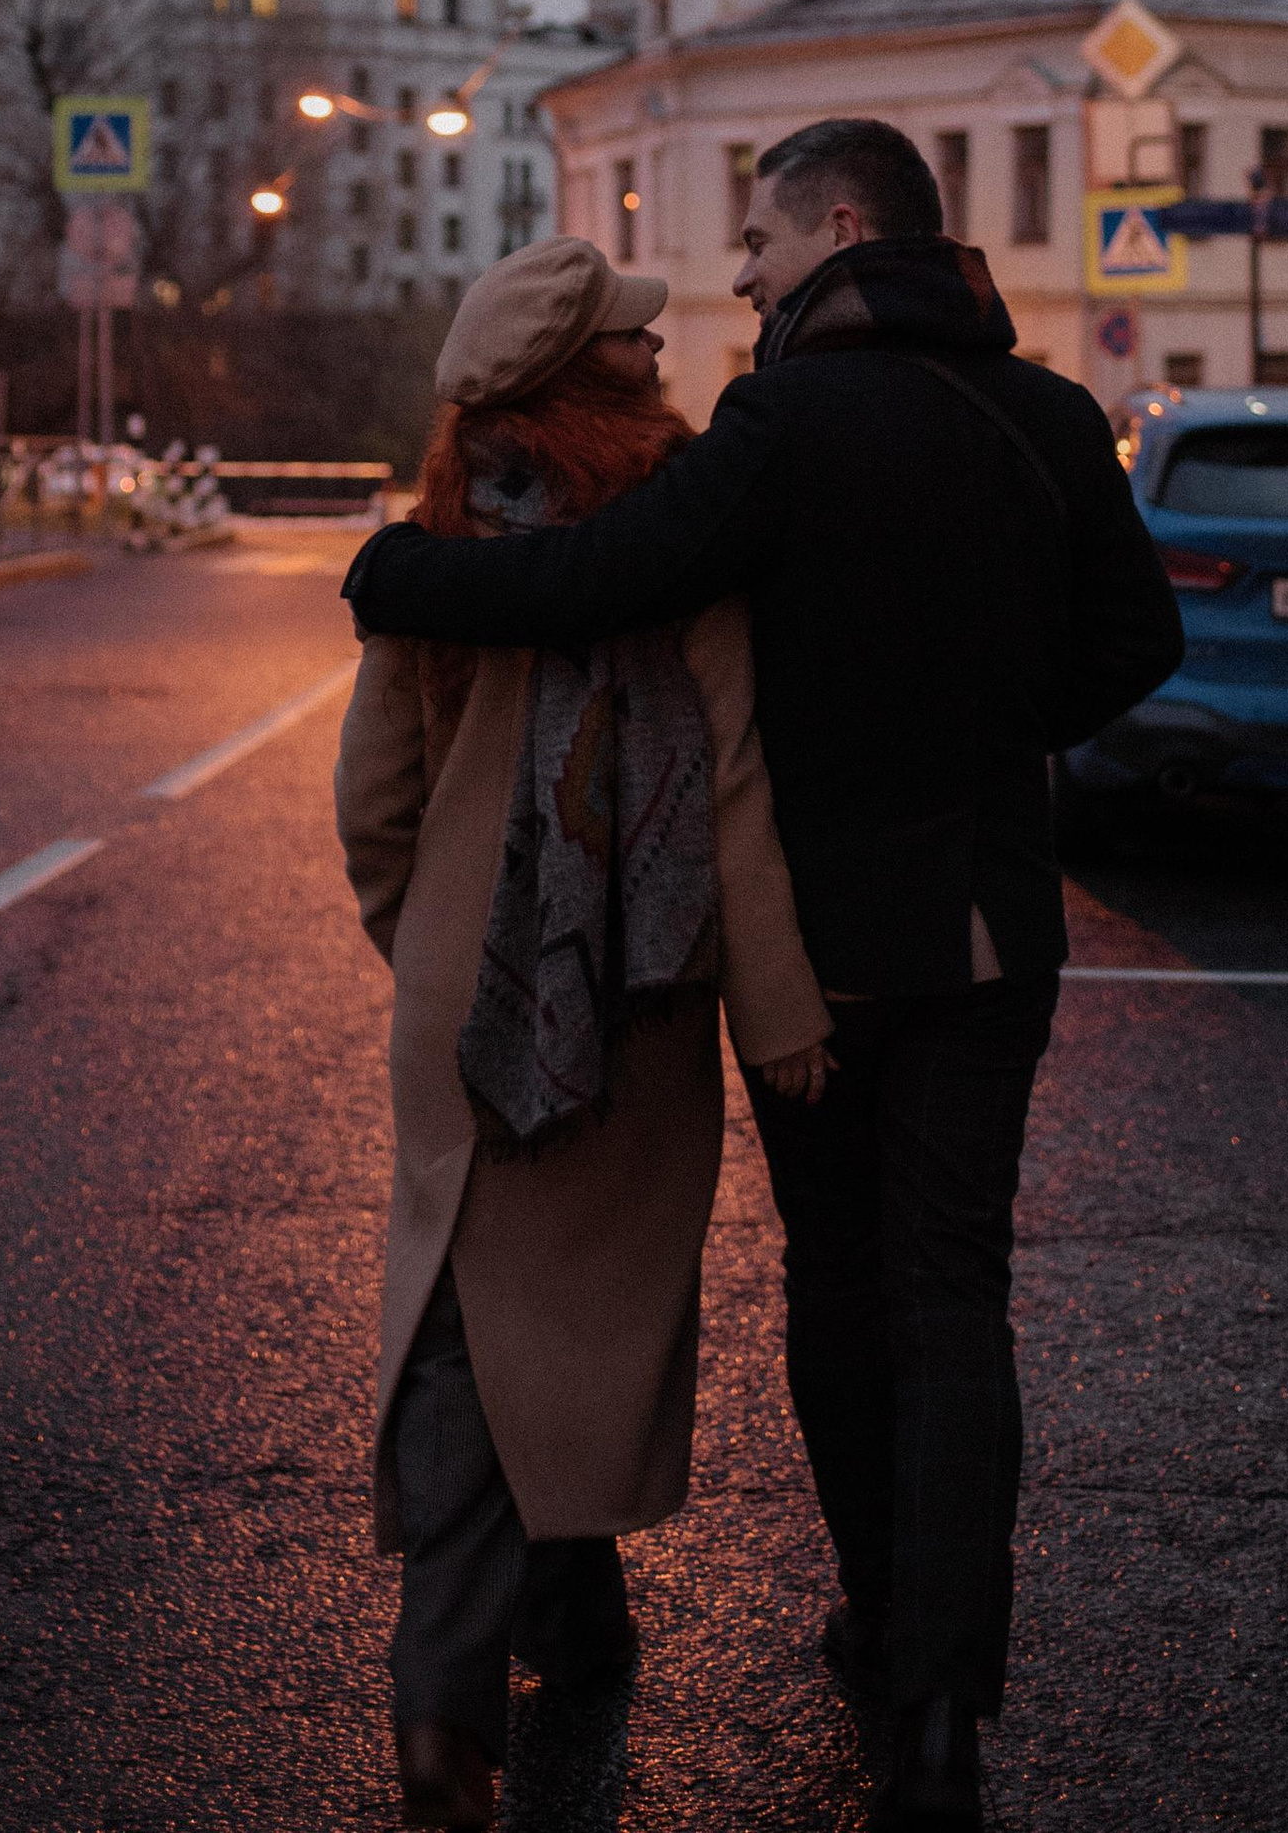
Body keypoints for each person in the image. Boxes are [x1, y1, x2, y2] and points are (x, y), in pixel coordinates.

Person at [344, 121, 1183, 1833]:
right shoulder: (1041, 415)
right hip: (992, 932)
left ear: (845, 227)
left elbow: (611, 573)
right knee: (954, 1298)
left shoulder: (780, 423)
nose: (740, 272)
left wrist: (399, 570)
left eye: (762, 239)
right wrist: (997, 740)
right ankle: (937, 1706)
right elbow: (1138, 641)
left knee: (839, 1289)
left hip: (828, 945)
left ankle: (874, 1617)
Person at [336, 237, 834, 1831]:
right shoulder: (676, 535)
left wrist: (424, 948)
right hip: (629, 995)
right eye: (640, 347)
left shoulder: (443, 531)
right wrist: (781, 1017)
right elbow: (738, 780)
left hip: (456, 982)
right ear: (609, 375)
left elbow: (378, 798)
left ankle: (563, 1621)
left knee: (478, 1307)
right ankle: (445, 1694)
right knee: (549, 1327)